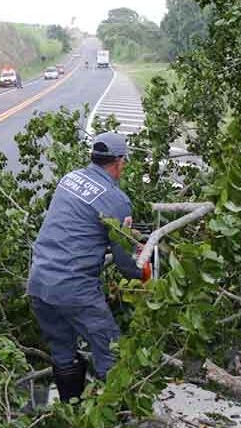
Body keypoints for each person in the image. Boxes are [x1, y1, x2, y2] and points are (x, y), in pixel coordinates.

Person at [27, 132, 150, 402]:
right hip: (75, 290)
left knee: (63, 352)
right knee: (112, 352)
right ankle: (122, 423)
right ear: (118, 162)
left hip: (38, 282)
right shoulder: (116, 200)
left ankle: (74, 416)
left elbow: (75, 226)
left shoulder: (69, 179)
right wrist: (146, 272)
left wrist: (119, 236)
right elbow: (125, 265)